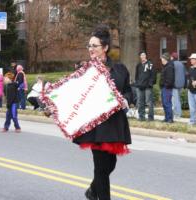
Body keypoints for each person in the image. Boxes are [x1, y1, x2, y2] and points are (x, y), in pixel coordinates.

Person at [72, 25, 132, 200]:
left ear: (105, 48)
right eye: (89, 46)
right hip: (96, 126)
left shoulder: (120, 69)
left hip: (114, 123)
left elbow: (128, 89)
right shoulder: (85, 71)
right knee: (100, 168)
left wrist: (126, 99)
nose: (90, 49)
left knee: (110, 164)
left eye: (94, 45)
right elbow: (73, 96)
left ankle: (92, 190)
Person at [134, 51, 156, 121]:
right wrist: (137, 83)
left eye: (144, 55)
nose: (143, 56)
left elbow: (153, 75)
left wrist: (150, 83)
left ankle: (150, 117)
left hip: (147, 87)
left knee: (149, 102)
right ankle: (141, 116)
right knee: (140, 102)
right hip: (140, 86)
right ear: (140, 57)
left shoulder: (150, 64)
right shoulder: (138, 65)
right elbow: (136, 75)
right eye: (141, 55)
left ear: (146, 56)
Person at [170, 52, 186, 118]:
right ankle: (178, 113)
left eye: (171, 57)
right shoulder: (181, 64)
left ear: (172, 57)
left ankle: (177, 114)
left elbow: (171, 75)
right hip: (181, 84)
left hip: (174, 85)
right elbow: (185, 74)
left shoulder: (172, 64)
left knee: (175, 100)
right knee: (178, 99)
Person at [159, 52, 174, 123]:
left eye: (162, 58)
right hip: (164, 88)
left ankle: (170, 119)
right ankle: (166, 118)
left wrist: (166, 85)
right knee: (164, 104)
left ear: (165, 59)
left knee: (167, 103)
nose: (161, 59)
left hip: (167, 88)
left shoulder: (169, 67)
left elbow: (170, 79)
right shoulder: (165, 66)